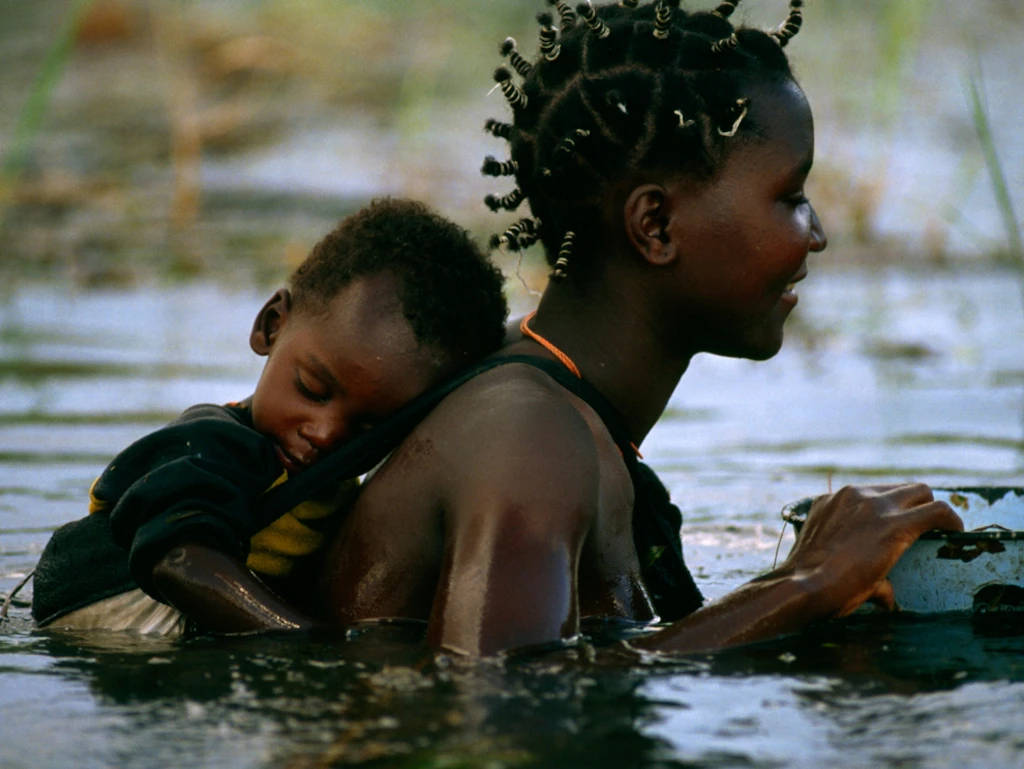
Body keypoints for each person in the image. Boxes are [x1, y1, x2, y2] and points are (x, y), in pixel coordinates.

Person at [311, 0, 964, 656]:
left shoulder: (553, 400)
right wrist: (805, 582)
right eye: (792, 198)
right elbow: (501, 714)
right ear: (655, 225)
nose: (816, 235)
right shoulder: (528, 434)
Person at [31, 197, 509, 636]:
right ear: (271, 325)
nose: (324, 434)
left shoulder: (338, 491)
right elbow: (179, 559)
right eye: (312, 389)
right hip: (102, 607)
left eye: (368, 428)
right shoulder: (213, 444)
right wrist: (303, 639)